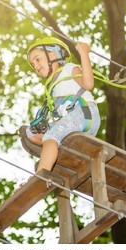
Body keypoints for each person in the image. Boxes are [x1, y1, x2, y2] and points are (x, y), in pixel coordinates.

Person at [25, 37, 101, 173]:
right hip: (73, 119)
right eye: (33, 64)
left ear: (53, 54)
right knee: (31, 133)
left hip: (85, 113)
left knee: (50, 137)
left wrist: (83, 53)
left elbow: (88, 84)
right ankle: (55, 148)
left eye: (37, 59)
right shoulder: (53, 88)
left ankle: (41, 174)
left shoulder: (68, 69)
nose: (36, 66)